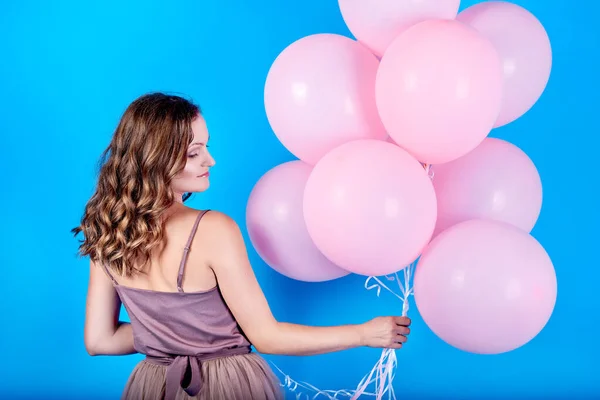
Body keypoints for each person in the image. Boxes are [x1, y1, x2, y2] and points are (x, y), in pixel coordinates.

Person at [72, 92, 411, 400]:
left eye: (206, 146)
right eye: (194, 152)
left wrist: (167, 334)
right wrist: (364, 333)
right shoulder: (212, 229)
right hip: (225, 385)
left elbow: (100, 340)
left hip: (154, 387)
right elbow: (267, 337)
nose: (211, 160)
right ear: (156, 159)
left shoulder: (107, 231)